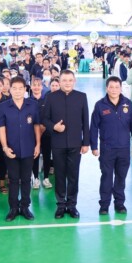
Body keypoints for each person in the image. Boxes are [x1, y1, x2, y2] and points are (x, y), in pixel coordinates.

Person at [42, 70, 90, 219]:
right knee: (60, 175)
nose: (67, 83)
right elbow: (44, 119)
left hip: (76, 143)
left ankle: (72, 205)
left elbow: (85, 121)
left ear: (74, 81)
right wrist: (54, 127)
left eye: (70, 80)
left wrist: (86, 142)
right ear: (59, 81)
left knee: (73, 175)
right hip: (58, 143)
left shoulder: (81, 97)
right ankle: (61, 205)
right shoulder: (51, 97)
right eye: (64, 80)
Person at [90, 76, 132, 215]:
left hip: (124, 148)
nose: (114, 90)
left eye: (117, 87)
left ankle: (119, 204)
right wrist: (94, 146)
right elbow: (93, 127)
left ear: (121, 88)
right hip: (107, 149)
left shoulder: (127, 104)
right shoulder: (100, 105)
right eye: (111, 87)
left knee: (121, 177)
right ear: (107, 88)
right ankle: (104, 205)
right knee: (106, 177)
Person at [0, 77, 42, 221]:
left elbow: (36, 125)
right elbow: (1, 128)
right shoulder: (3, 107)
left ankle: (25, 207)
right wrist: (5, 147)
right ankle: (13, 208)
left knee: (26, 179)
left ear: (25, 89)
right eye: (14, 88)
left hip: (29, 148)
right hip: (11, 149)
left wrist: (38, 144)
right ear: (10, 89)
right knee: (13, 179)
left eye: (20, 88)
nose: (17, 91)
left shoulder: (33, 105)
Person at [29, 77, 51, 189]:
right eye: (34, 85)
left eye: (39, 85)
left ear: (42, 87)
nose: (36, 87)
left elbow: (50, 116)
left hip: (46, 133)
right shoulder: (28, 102)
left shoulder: (47, 100)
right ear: (30, 86)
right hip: (32, 134)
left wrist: (44, 127)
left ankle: (46, 177)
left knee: (47, 155)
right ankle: (36, 178)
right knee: (35, 155)